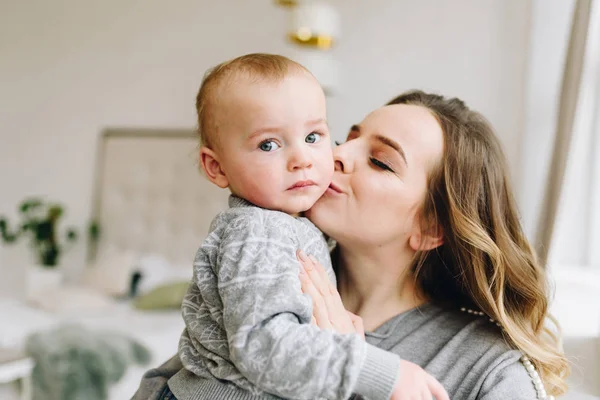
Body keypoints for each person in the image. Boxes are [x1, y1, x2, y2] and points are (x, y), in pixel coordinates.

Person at [134, 89, 570, 400]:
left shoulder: (486, 370)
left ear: (431, 228)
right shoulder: (276, 278)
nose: (337, 155)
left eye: (380, 161)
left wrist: (356, 368)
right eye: (348, 137)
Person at [163, 54, 445, 400]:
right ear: (216, 167)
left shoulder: (291, 228)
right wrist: (378, 371)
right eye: (268, 144)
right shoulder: (259, 231)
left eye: (314, 137)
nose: (303, 159)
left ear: (431, 228)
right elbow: (262, 346)